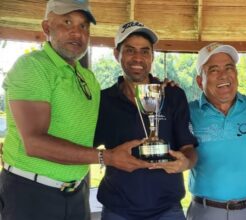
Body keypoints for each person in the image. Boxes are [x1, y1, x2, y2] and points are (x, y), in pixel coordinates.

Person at [0, 1, 144, 220]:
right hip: (31, 192)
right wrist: (107, 157)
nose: (77, 33)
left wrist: (160, 88)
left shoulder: (89, 79)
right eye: (67, 22)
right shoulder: (32, 67)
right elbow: (34, 142)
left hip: (76, 193)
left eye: (84, 26)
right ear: (47, 28)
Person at [93, 20, 198, 220]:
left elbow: (189, 148)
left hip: (167, 210)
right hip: (117, 209)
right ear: (117, 54)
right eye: (130, 50)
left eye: (145, 51)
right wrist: (108, 156)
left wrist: (185, 163)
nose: (138, 58)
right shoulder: (103, 101)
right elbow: (87, 147)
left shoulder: (173, 95)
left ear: (152, 56)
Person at [186, 42, 246, 220]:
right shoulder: (187, 112)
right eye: (213, 70)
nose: (223, 76)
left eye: (229, 68)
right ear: (200, 81)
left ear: (236, 74)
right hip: (204, 212)